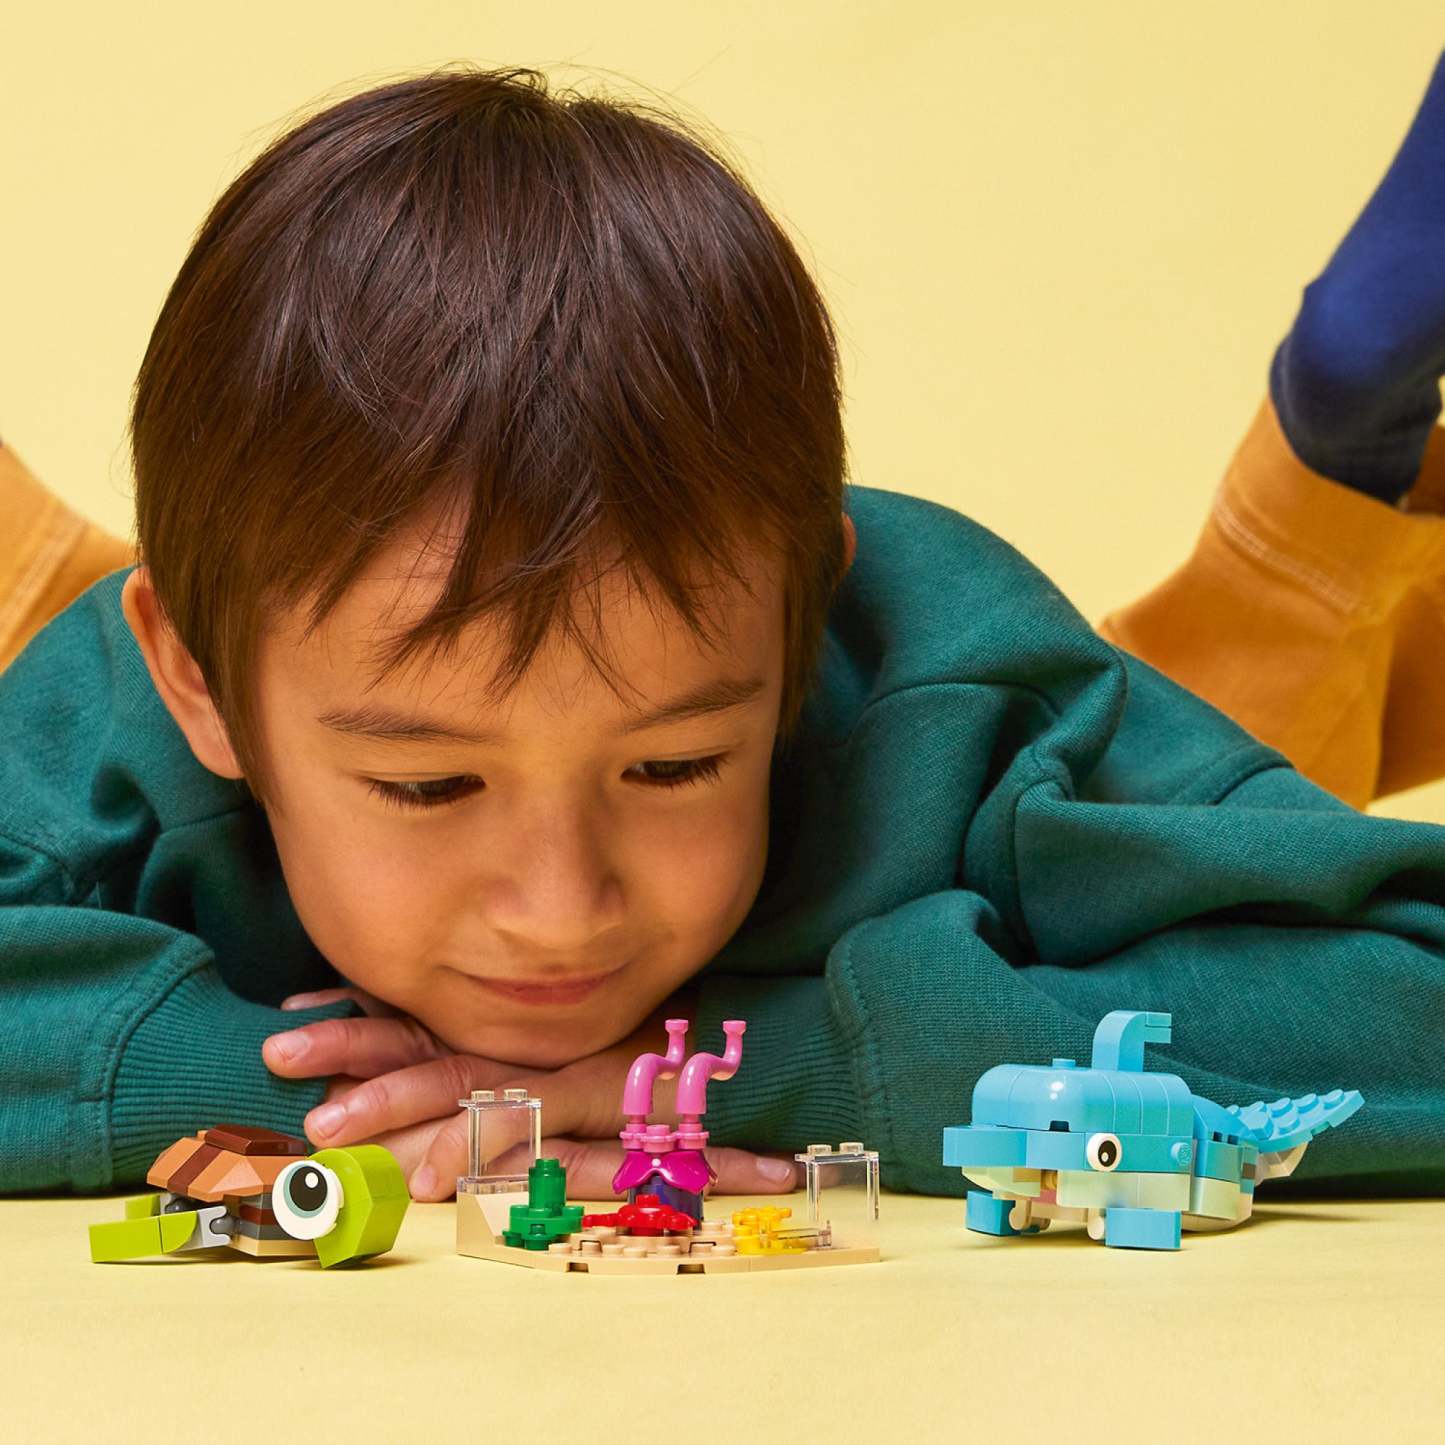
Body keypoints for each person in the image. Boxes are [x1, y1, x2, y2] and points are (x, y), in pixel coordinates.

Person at [1, 63, 1441, 1205]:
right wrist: (284, 1094)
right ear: (195, 677)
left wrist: (748, 1076)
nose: (559, 910)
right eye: (429, 783)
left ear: (803, 624)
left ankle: (1319, 483)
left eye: (675, 764)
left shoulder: (957, 679)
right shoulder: (121, 719)